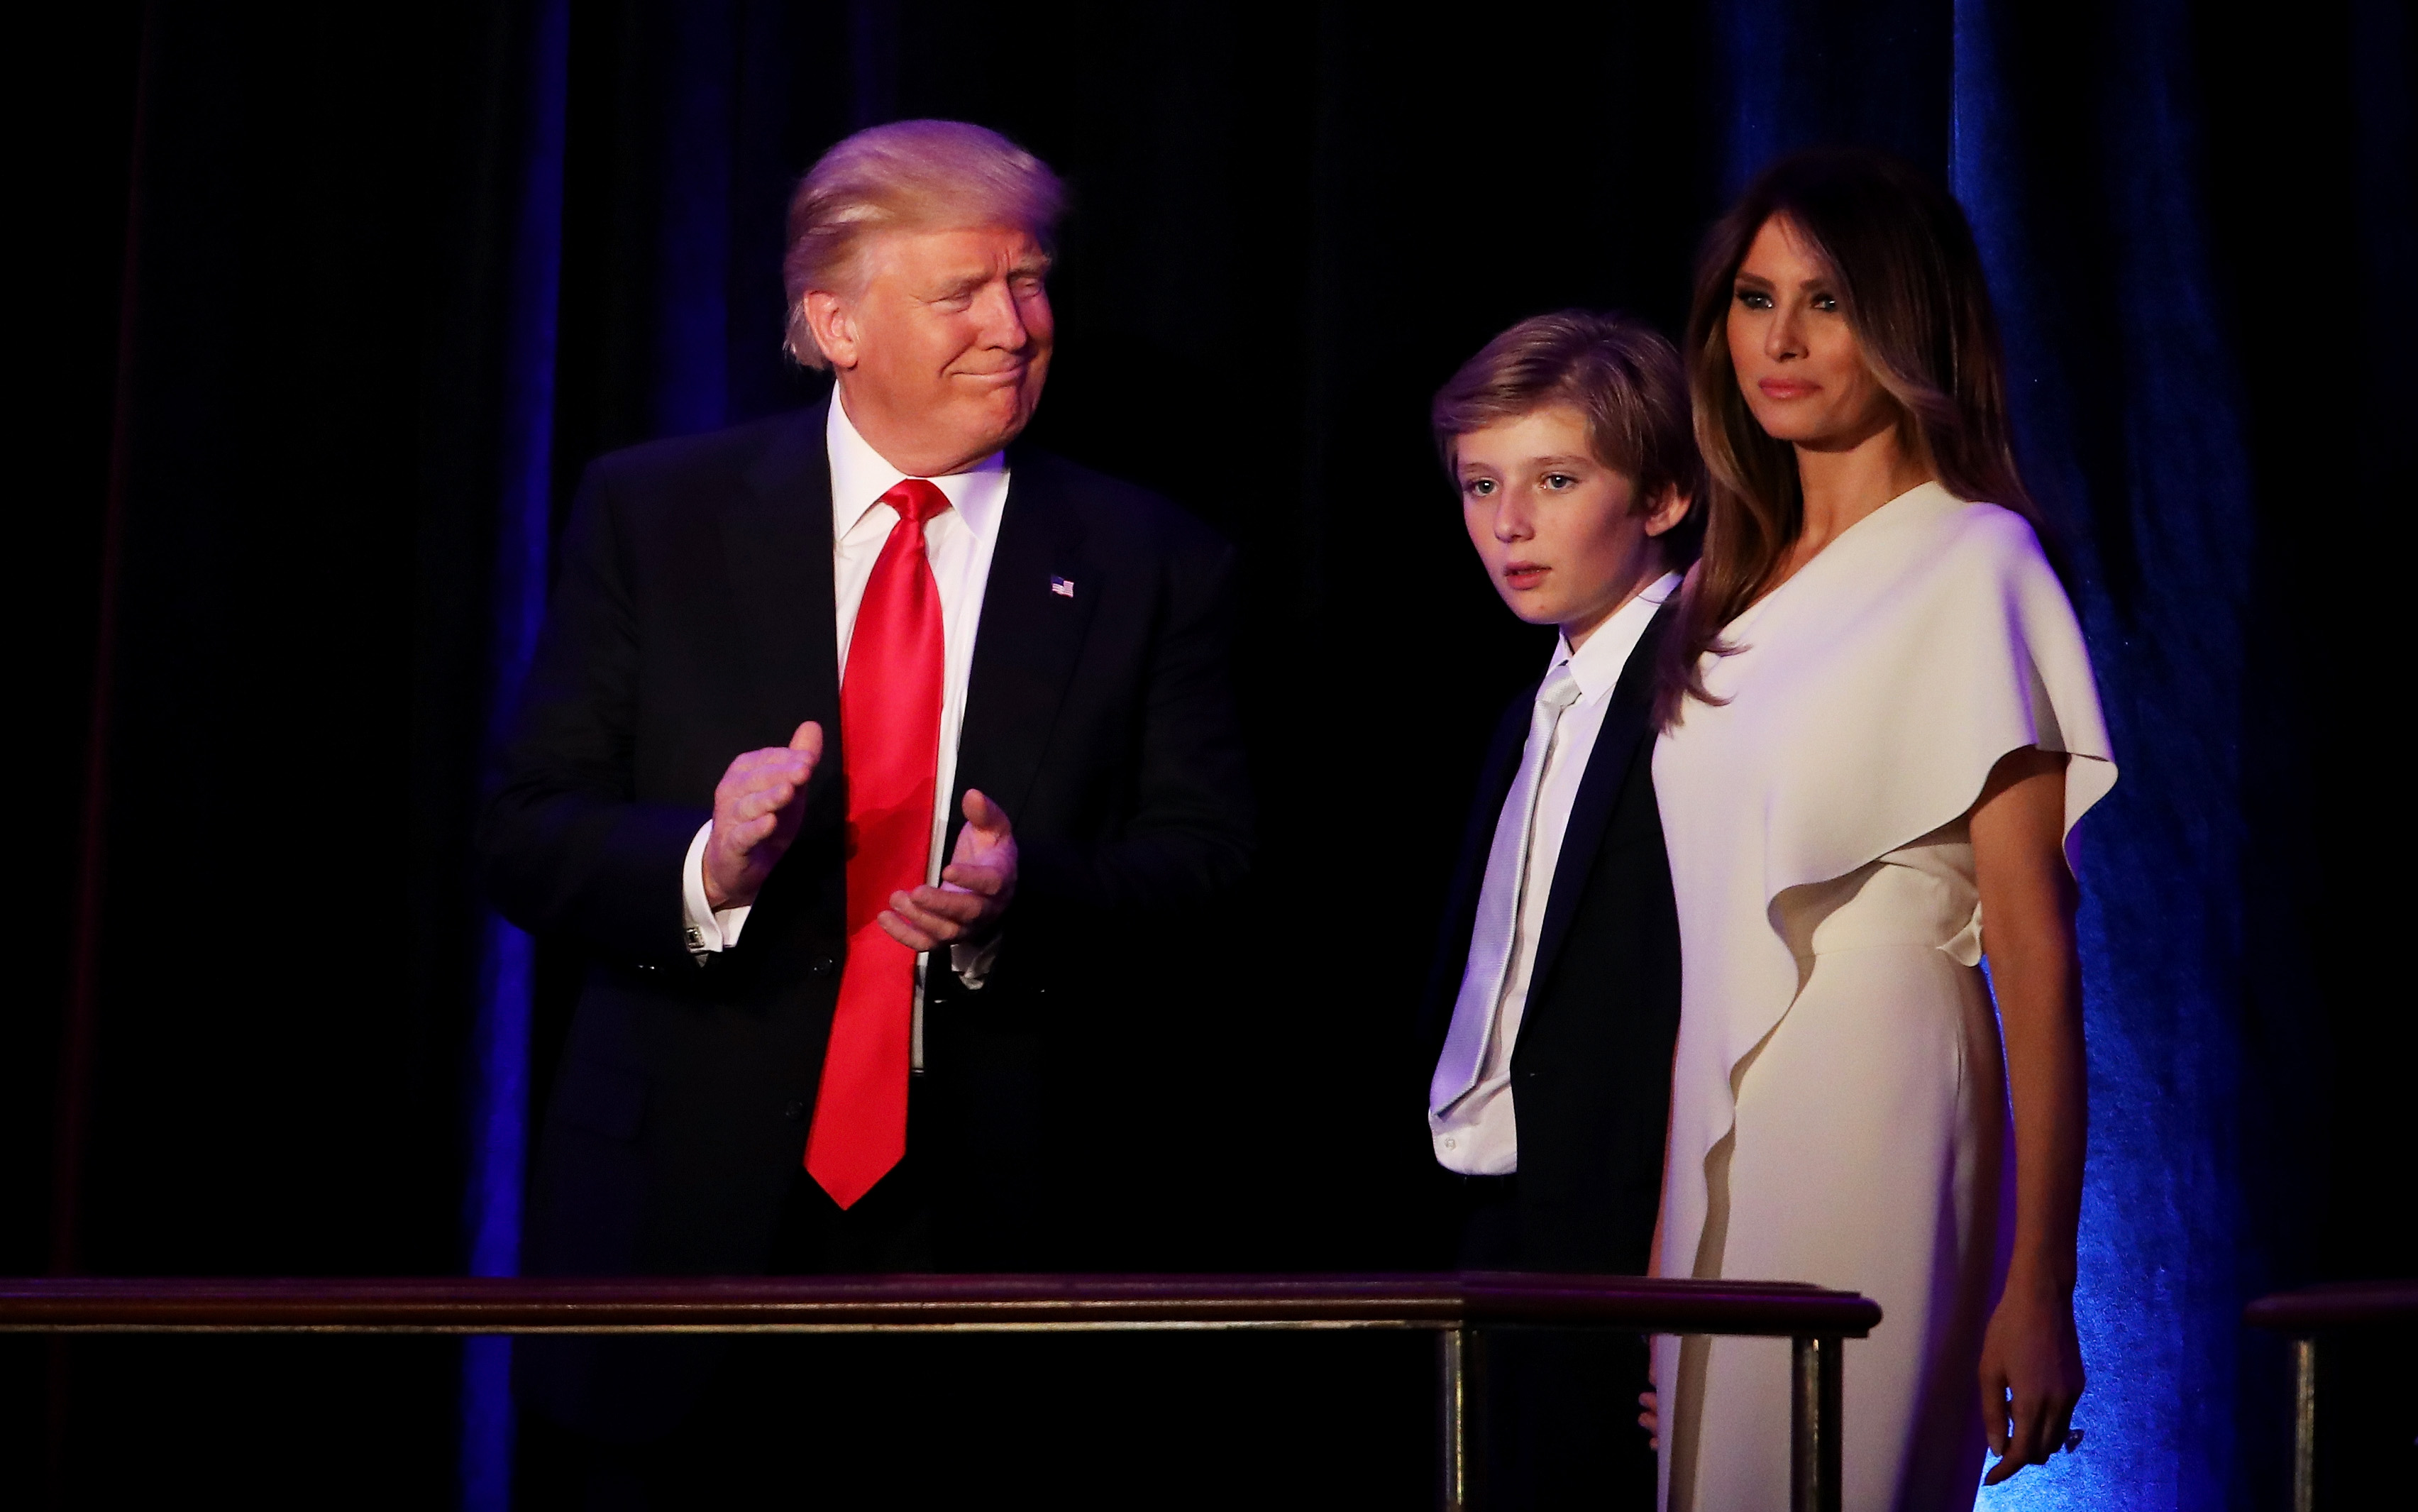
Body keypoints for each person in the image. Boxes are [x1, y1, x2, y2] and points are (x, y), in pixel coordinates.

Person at [479, 119, 1252, 1500]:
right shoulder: (657, 515)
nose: (1017, 327)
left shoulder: (1149, 557)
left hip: (1004, 1235)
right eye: (963, 292)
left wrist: (1026, 899)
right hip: (682, 1236)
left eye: (1030, 281)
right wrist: (707, 863)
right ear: (834, 320)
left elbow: (1206, 869)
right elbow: (526, 826)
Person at [1642, 148, 2116, 1510]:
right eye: (1752, 297)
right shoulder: (1716, 599)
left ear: (1907, 322)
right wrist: (1663, 1255)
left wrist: (2043, 1285)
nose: (1778, 340)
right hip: (1717, 1129)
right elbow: (1707, 929)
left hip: (1882, 1095)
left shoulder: (1975, 564)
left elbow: (2037, 955)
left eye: (1828, 301)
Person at [1421, 310, 1701, 1509]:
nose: (1508, 523)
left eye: (1556, 479)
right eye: (1482, 484)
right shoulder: (1548, 688)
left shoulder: (1697, 687)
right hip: (1496, 1210)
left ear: (1665, 496)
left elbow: (1703, 992)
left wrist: (1676, 1270)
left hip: (1616, 1228)